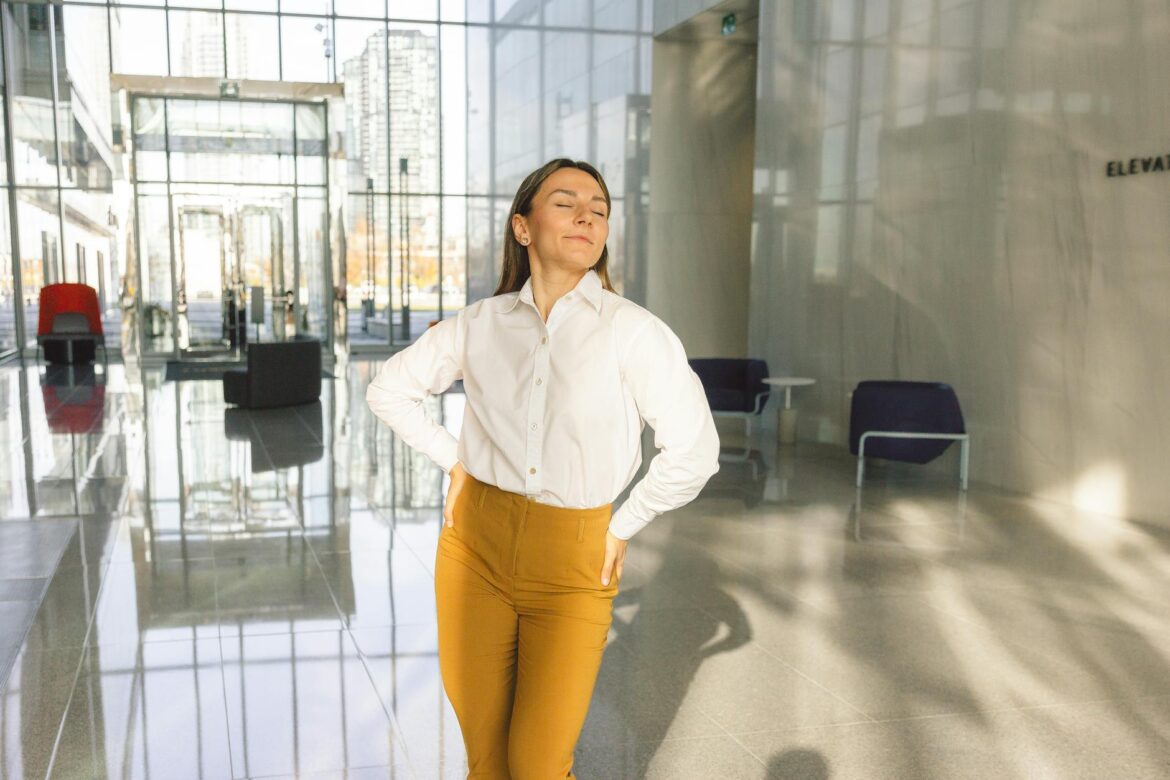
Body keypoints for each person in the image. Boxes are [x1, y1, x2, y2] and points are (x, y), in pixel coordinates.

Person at [366, 158, 720, 778]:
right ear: (522, 228)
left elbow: (695, 450)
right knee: (486, 756)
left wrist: (622, 523)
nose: (587, 213)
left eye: (600, 208)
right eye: (565, 201)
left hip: (575, 555)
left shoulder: (634, 332)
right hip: (472, 549)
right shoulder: (481, 323)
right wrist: (456, 461)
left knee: (537, 763)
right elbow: (388, 391)